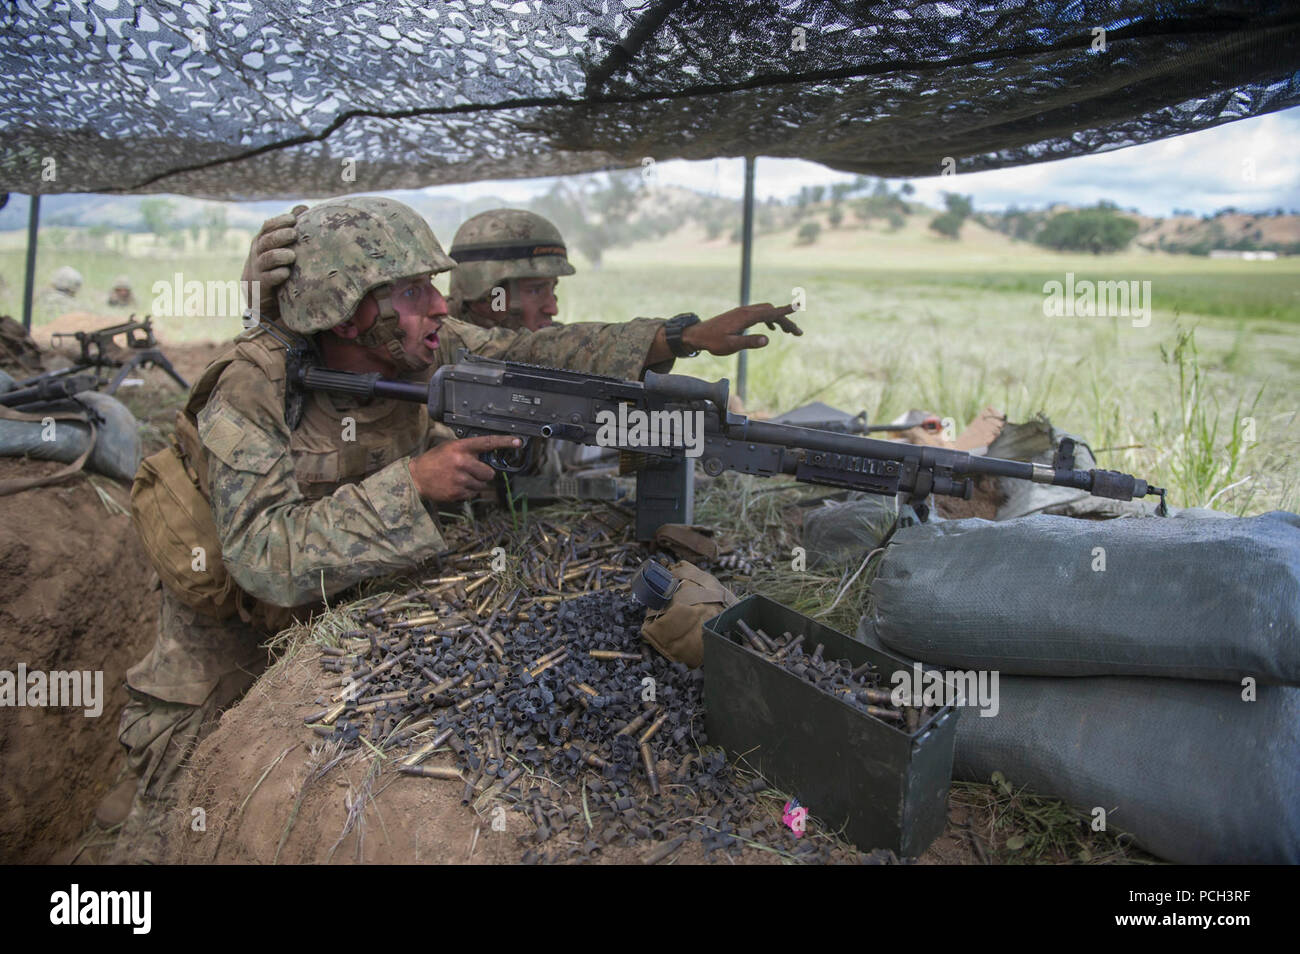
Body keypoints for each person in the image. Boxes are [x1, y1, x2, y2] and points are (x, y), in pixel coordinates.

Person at [106, 195, 801, 858]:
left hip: (327, 601)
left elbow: (541, 353)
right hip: (220, 620)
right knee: (184, 811)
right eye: (411, 291)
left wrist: (672, 337)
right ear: (350, 315)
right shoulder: (251, 385)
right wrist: (413, 485)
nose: (440, 304)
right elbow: (262, 553)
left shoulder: (429, 345)